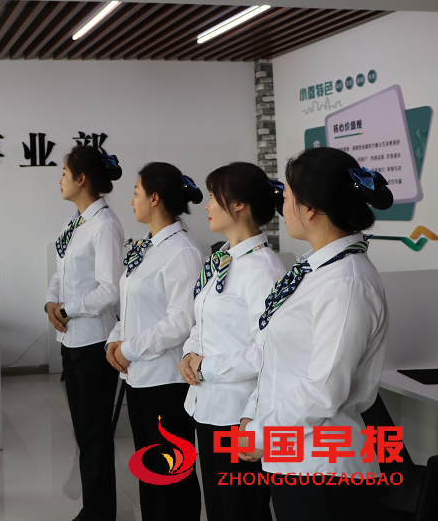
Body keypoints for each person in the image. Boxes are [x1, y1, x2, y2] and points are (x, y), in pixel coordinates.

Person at [230, 147, 392, 521]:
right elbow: (277, 357)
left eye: (287, 198)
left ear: (311, 209)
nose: (282, 207)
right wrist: (252, 414)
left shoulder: (346, 282)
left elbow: (323, 390)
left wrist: (260, 434)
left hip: (324, 469)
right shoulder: (313, 270)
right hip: (294, 459)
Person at [178, 162, 285, 521]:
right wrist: (189, 353)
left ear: (239, 205)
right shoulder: (222, 259)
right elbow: (203, 318)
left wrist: (206, 366)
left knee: (242, 510)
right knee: (220, 509)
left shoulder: (264, 269)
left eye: (214, 197)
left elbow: (267, 351)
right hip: (207, 405)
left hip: (239, 414)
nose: (207, 206)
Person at [107, 161, 204, 521]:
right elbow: (132, 303)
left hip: (167, 381)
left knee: (171, 478)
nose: (131, 200)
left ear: (155, 198)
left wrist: (129, 349)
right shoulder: (148, 246)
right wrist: (114, 341)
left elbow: (181, 320)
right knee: (150, 473)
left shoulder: (182, 251)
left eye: (136, 192)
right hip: (139, 378)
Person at [44, 145, 124, 521]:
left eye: (64, 173)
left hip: (93, 343)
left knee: (94, 435)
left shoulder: (105, 224)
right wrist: (51, 302)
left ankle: (100, 512)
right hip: (70, 340)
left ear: (81, 179)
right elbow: (60, 271)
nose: (60, 179)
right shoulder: (73, 222)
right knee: (83, 434)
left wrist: (67, 309)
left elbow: (110, 289)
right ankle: (94, 508)